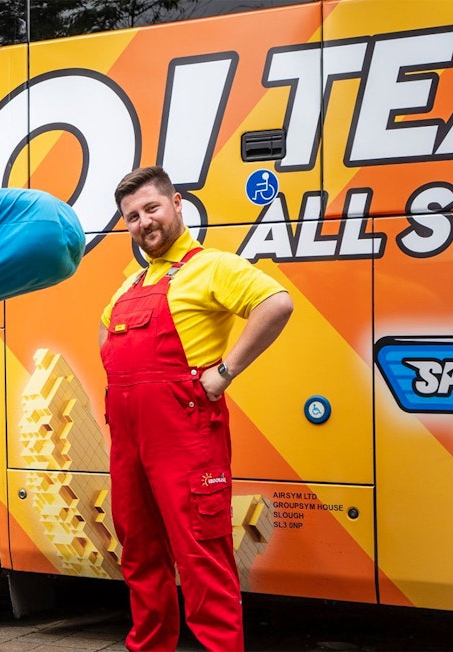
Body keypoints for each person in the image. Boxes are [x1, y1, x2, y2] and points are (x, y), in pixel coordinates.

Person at [99, 166, 293, 651]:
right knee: (140, 557)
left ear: (177, 204)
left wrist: (223, 372)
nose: (143, 222)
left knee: (202, 556)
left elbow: (277, 303)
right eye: (131, 216)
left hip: (186, 441)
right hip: (130, 445)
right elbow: (105, 333)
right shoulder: (129, 284)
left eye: (151, 208)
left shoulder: (214, 267)